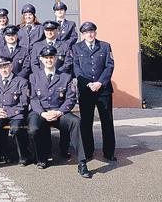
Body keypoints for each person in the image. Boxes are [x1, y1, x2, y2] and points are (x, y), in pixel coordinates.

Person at [27, 46, 92, 178]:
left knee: (76, 122)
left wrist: (60, 112)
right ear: (41, 60)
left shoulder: (66, 77)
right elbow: (33, 99)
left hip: (59, 112)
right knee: (33, 129)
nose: (49, 60)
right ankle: (41, 158)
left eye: (51, 57)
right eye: (46, 58)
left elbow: (71, 98)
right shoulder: (34, 77)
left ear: (56, 58)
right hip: (42, 112)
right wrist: (42, 113)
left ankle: (82, 162)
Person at [72, 22, 116, 162]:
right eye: (86, 32)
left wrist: (100, 83)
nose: (89, 34)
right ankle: (88, 152)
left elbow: (109, 66)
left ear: (95, 33)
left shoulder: (105, 46)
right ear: (82, 34)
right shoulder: (76, 47)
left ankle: (109, 153)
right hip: (86, 90)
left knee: (107, 122)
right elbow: (76, 68)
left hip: (103, 90)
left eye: (92, 32)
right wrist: (88, 84)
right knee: (86, 122)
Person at [0, 56, 31, 166]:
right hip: (0, 113)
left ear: (11, 66)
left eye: (6, 66)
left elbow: (24, 103)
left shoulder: (22, 82)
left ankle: (23, 155)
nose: (4, 70)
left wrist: (8, 112)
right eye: (0, 67)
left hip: (16, 113)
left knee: (16, 129)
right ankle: (3, 152)